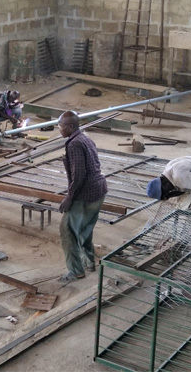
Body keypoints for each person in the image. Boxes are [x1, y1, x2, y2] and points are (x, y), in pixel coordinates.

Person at [57, 111, 108, 282]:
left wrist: (69, 197)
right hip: (99, 191)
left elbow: (79, 174)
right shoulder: (85, 138)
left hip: (85, 194)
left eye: (61, 126)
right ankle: (89, 263)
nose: (59, 129)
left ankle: (76, 271)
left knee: (67, 230)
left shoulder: (74, 144)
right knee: (85, 228)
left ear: (70, 127)